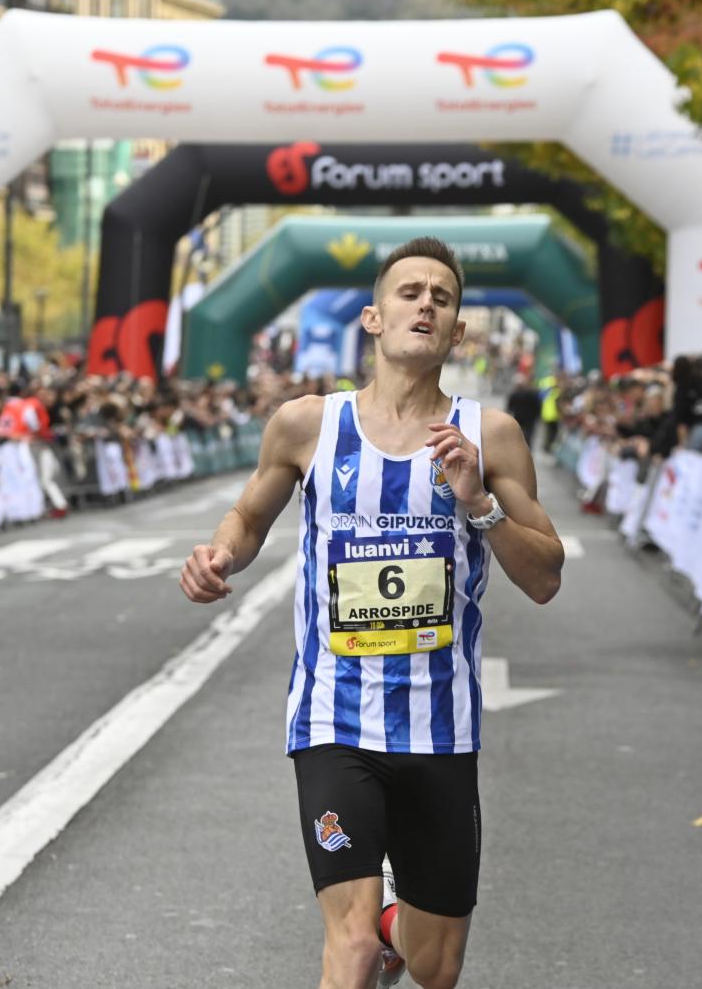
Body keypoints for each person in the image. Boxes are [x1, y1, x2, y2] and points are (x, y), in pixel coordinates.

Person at [179, 236, 564, 989]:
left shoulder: (491, 437)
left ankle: (399, 926)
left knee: (434, 967)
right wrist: (218, 555)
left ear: (457, 333)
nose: (426, 303)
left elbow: (546, 577)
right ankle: (371, 932)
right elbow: (247, 519)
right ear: (374, 318)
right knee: (348, 950)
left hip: (440, 726)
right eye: (409, 292)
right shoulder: (307, 425)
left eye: (442, 298)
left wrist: (478, 503)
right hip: (334, 719)